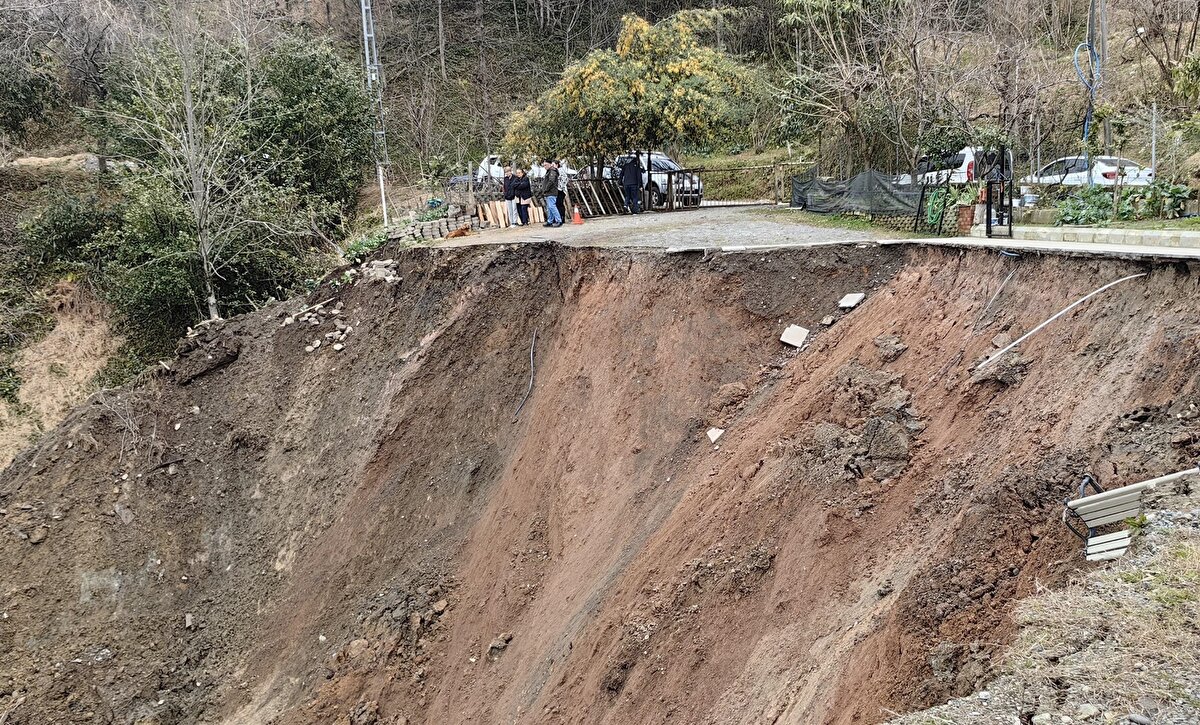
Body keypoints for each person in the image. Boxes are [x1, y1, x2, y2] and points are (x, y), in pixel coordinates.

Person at [541, 161, 562, 227]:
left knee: (552, 206)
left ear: (550, 164)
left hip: (551, 192)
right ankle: (550, 221)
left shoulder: (552, 171)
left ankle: (559, 220)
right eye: (544, 165)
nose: (545, 167)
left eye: (546, 165)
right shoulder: (549, 171)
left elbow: (551, 181)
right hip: (549, 192)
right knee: (549, 207)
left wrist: (546, 189)